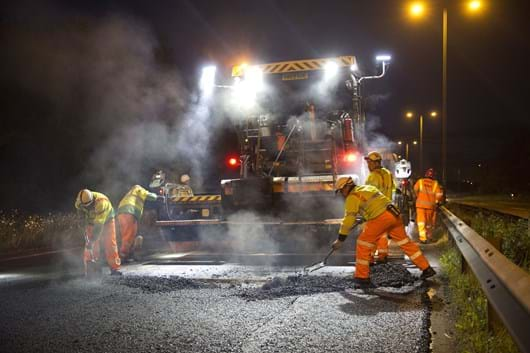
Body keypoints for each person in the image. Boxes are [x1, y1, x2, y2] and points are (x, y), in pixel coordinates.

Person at [332, 176, 435, 287]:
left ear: (347, 186)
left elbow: (348, 220)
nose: (342, 193)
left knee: (363, 243)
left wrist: (340, 240)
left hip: (381, 218)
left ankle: (362, 277)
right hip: (394, 214)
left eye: (341, 190)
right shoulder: (367, 188)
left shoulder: (352, 197)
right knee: (405, 243)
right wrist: (366, 216)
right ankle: (426, 268)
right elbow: (377, 203)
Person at [75, 189, 121, 276]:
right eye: (84, 206)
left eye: (89, 205)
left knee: (110, 243)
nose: (87, 207)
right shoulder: (79, 202)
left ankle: (115, 268)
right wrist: (81, 221)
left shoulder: (101, 202)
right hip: (91, 221)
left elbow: (99, 225)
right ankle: (90, 270)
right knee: (89, 246)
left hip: (107, 220)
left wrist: (92, 239)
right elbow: (80, 212)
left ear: (92, 201)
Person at [364, 151, 396, 264]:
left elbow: (367, 195)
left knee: (371, 234)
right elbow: (393, 189)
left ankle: (370, 258)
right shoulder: (388, 173)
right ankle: (382, 255)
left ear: (374, 163)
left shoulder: (372, 176)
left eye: (369, 162)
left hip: (374, 210)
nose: (368, 165)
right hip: (386, 208)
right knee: (382, 233)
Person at [117, 185, 162, 261]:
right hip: (129, 212)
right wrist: (158, 196)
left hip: (124, 213)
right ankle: (123, 256)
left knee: (130, 234)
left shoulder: (130, 194)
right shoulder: (138, 188)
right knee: (128, 235)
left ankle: (128, 254)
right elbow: (150, 196)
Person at [414, 168, 444, 243]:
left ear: (426, 174)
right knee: (429, 223)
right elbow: (439, 195)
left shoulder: (420, 181)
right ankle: (429, 236)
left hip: (420, 206)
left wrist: (418, 196)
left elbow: (415, 189)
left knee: (421, 222)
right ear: (433, 176)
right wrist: (437, 202)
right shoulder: (435, 183)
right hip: (431, 206)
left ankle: (423, 238)